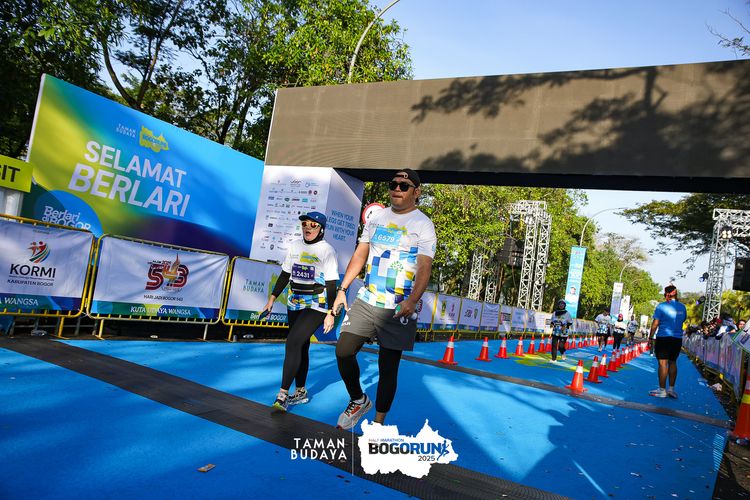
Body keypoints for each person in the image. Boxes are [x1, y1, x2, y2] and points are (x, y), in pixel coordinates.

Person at [328, 168, 436, 430]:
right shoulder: (376, 218)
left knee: (388, 368)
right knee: (343, 351)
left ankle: (377, 425)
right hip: (367, 300)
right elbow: (360, 254)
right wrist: (342, 289)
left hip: (398, 307)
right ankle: (358, 399)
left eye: (404, 186)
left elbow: (424, 267)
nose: (397, 189)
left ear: (416, 192)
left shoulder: (423, 224)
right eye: (393, 184)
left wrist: (412, 301)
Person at [262, 211, 339, 412]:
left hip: (317, 303)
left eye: (313, 225)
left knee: (293, 342)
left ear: (321, 229)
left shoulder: (327, 250)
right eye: (305, 224)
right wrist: (272, 298)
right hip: (294, 301)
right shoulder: (295, 246)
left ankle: (282, 395)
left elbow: (332, 284)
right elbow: (285, 274)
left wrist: (331, 312)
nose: (307, 227)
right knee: (301, 345)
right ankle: (301, 391)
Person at [649, 285, 687, 399]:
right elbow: (683, 319)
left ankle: (662, 390)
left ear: (666, 294)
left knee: (663, 363)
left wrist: (650, 337)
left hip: (664, 337)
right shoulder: (682, 307)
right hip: (677, 339)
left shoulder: (661, 306)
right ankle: (671, 389)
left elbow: (655, 323)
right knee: (673, 362)